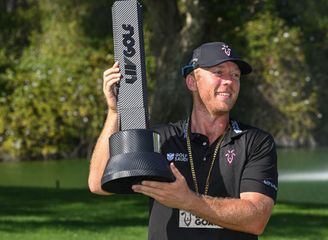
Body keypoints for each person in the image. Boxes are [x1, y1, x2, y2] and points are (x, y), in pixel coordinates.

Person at [88, 41, 278, 240]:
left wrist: (188, 201)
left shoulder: (256, 142)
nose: (229, 81)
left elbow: (257, 218)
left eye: (235, 75)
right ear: (192, 82)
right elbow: (98, 183)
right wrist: (114, 112)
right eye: (219, 72)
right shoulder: (162, 139)